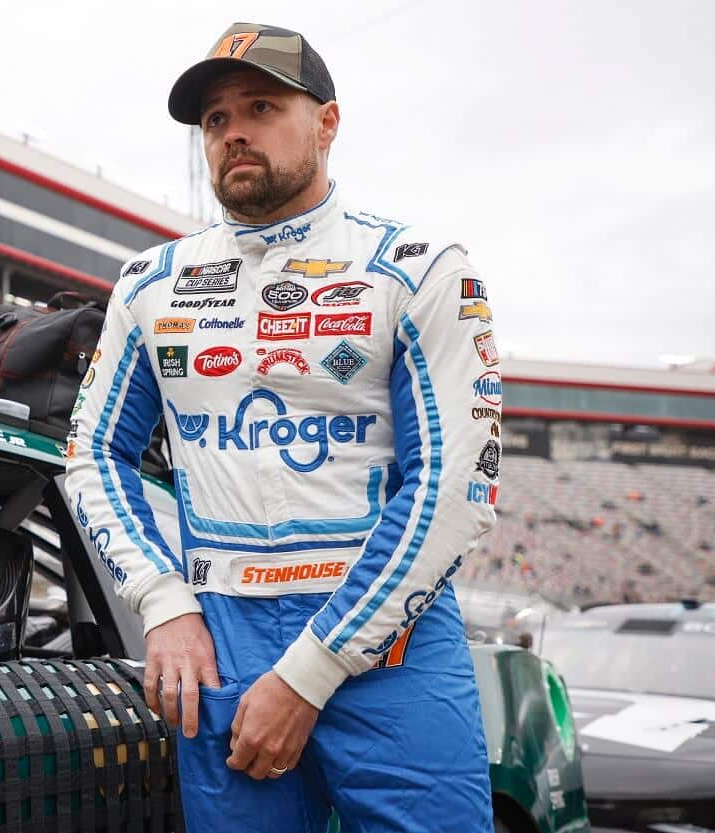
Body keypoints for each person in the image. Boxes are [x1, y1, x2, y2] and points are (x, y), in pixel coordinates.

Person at [64, 22, 501, 833]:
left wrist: (310, 669)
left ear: (327, 123)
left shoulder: (419, 268)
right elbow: (90, 453)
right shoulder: (151, 286)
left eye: (260, 106)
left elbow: (453, 489)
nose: (233, 132)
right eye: (214, 120)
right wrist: (163, 603)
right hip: (220, 637)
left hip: (389, 640)